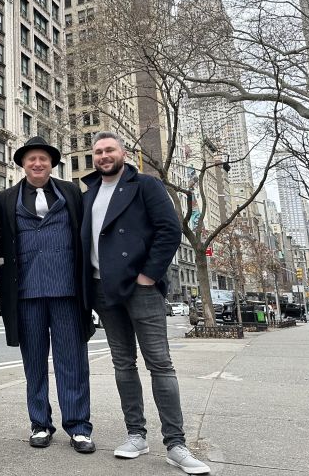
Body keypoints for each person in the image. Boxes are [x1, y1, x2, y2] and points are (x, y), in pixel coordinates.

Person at [81, 131, 210, 475]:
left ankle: (176, 444)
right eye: (98, 152)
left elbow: (170, 230)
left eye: (110, 150)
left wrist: (148, 276)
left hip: (141, 288)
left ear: (123, 153)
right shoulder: (89, 192)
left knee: (160, 364)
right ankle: (136, 434)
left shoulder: (147, 186)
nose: (104, 156)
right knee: (123, 365)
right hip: (103, 290)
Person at [0, 136, 96, 454]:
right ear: (22, 164)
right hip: (26, 293)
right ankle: (40, 424)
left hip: (66, 289)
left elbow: (87, 234)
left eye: (43, 159)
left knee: (73, 362)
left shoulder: (70, 192)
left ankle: (78, 427)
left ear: (52, 163)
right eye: (31, 159)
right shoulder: (4, 199)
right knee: (33, 363)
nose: (37, 164)